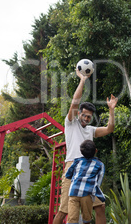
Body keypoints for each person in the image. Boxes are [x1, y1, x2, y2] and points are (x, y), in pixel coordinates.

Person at [53, 69, 118, 224]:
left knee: (100, 207)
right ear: (79, 113)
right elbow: (75, 101)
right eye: (84, 115)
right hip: (72, 167)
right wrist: (83, 80)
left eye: (89, 116)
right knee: (64, 210)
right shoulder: (70, 124)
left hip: (89, 170)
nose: (87, 118)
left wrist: (111, 110)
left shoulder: (91, 130)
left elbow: (109, 129)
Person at [65, 139, 105, 224]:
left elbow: (68, 174)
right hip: (87, 194)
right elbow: (98, 182)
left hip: (73, 193)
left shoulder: (77, 161)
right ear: (96, 151)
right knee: (86, 220)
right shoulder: (100, 164)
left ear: (81, 151)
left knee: (72, 219)